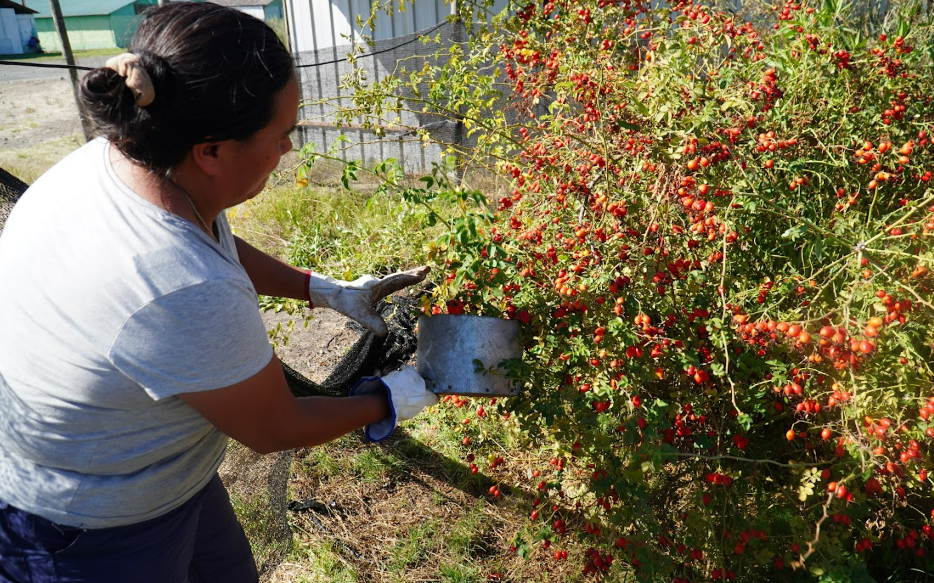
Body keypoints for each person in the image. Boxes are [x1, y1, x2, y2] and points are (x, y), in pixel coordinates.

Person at [0, 3, 437, 582]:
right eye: (283, 136)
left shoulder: (127, 160)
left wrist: (325, 291)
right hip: (88, 528)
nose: (289, 150)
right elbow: (272, 428)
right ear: (211, 151)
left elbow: (211, 243)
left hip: (151, 470)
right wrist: (403, 393)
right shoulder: (177, 284)